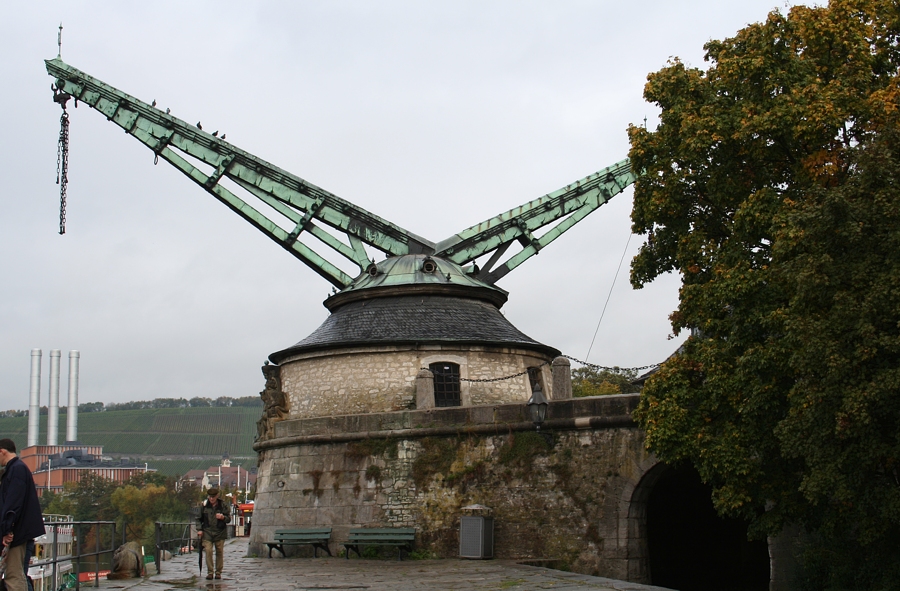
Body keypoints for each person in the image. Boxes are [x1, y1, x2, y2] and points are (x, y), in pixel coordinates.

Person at [0, 439, 45, 591]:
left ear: (2, 451)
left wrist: (7, 530)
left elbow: (13, 503)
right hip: (21, 531)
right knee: (17, 574)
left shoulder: (15, 470)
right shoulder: (18, 468)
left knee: (14, 575)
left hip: (17, 533)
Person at [196, 488, 230, 580]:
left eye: (213, 497)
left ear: (217, 496)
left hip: (220, 532)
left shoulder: (223, 505)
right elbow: (198, 518)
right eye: (210, 497)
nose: (211, 499)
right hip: (207, 531)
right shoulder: (204, 506)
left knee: (219, 552)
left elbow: (228, 519)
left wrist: (223, 517)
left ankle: (218, 572)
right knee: (208, 551)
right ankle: (210, 572)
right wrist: (199, 529)